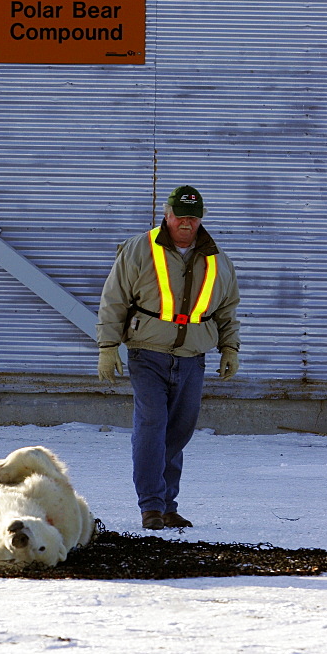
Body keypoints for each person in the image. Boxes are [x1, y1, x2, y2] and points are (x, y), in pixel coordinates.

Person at [96, 186, 240, 530]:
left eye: (192, 216)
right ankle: (151, 507)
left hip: (192, 358)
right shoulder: (138, 249)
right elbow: (113, 299)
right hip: (148, 354)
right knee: (151, 427)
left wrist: (230, 347)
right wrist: (107, 346)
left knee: (178, 432)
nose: (185, 223)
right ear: (167, 214)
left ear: (200, 218)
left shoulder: (217, 259)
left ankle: (167, 504)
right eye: (179, 215)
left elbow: (227, 309)